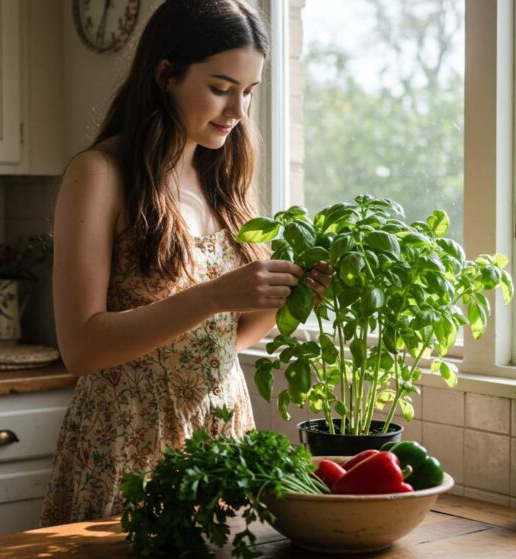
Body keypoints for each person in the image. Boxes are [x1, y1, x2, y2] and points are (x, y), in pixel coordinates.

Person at [40, 0, 330, 526]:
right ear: (166, 74)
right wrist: (215, 295)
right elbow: (80, 348)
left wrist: (291, 296)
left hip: (220, 439)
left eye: (248, 92)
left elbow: (223, 338)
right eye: (221, 87)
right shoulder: (100, 175)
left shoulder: (223, 180)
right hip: (127, 442)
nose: (237, 110)